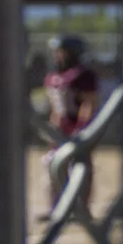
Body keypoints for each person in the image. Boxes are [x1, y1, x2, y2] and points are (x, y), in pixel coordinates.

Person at [43, 34, 102, 217]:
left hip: (77, 127)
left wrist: (82, 127)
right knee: (52, 166)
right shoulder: (53, 76)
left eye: (61, 52)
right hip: (60, 128)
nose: (57, 56)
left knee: (82, 166)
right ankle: (56, 207)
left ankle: (82, 208)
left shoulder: (83, 75)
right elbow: (54, 107)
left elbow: (89, 103)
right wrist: (52, 128)